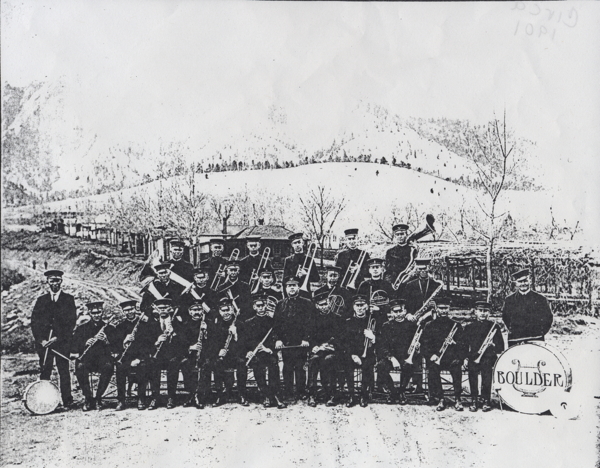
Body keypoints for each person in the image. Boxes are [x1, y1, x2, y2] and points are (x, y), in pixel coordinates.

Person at [30, 270, 77, 409]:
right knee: (45, 370)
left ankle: (67, 400)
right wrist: (41, 340)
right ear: (47, 282)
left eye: (57, 280)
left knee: (64, 371)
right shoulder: (41, 300)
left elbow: (71, 322)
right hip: (44, 344)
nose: (54, 283)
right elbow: (34, 322)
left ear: (61, 281)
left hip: (61, 343)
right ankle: (46, 401)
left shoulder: (68, 299)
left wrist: (57, 337)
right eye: (52, 281)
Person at [398, 258, 442, 395]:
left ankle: (432, 388)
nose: (423, 271)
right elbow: (404, 304)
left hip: (431, 322)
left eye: (425, 269)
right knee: (414, 352)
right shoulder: (409, 285)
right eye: (420, 269)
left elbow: (440, 304)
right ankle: (416, 384)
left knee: (428, 352)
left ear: (429, 268)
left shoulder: (436, 285)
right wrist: (409, 315)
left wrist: (431, 311)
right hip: (414, 322)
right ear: (416, 269)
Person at [273, 277, 316, 401]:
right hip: (286, 342)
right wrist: (278, 339)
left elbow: (311, 323)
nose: (292, 288)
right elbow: (276, 324)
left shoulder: (307, 303)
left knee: (300, 366)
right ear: (285, 288)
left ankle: (301, 391)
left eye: (294, 285)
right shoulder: (280, 304)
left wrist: (306, 338)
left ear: (298, 287)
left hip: (301, 342)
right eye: (289, 286)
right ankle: (287, 391)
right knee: (287, 366)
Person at [200, 297, 248, 407]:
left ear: (232, 310)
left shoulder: (240, 324)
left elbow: (245, 344)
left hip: (235, 355)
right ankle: (220, 395)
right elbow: (211, 343)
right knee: (216, 363)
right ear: (219, 312)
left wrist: (235, 336)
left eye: (228, 310)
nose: (226, 313)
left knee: (242, 364)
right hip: (221, 356)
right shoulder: (215, 325)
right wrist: (219, 351)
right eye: (223, 310)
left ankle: (242, 394)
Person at [421, 298, 466, 412]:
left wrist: (454, 343)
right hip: (436, 357)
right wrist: (431, 355)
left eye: (446, 308)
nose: (443, 311)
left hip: (452, 358)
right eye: (441, 308)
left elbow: (463, 345)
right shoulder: (429, 325)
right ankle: (440, 398)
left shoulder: (456, 325)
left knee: (456, 367)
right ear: (436, 309)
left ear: (449, 309)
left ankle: (457, 398)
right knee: (433, 369)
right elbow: (424, 345)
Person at [244, 294, 286, 409]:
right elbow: (247, 340)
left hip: (269, 352)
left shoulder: (272, 321)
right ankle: (265, 395)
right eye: (258, 305)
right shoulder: (248, 322)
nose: (261, 308)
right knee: (257, 365)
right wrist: (252, 349)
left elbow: (276, 336)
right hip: (256, 353)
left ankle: (275, 394)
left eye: (263, 305)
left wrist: (269, 349)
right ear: (254, 307)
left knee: (273, 364)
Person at [106, 300, 149, 411]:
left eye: (131, 309)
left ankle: (141, 398)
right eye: (126, 310)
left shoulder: (144, 325)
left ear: (135, 309)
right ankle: (121, 400)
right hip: (125, 358)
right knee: (120, 368)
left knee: (143, 368)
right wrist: (124, 342)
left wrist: (139, 359)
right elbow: (116, 346)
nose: (129, 312)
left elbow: (148, 344)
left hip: (141, 357)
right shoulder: (120, 327)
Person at [145, 298, 187, 410]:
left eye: (165, 308)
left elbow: (184, 341)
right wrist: (157, 341)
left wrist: (174, 334)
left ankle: (171, 397)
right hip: (158, 355)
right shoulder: (152, 324)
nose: (163, 310)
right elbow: (147, 342)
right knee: (152, 364)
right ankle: (155, 397)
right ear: (157, 310)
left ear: (170, 309)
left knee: (173, 364)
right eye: (160, 308)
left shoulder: (177, 322)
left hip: (174, 354)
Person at [72, 302, 114, 411]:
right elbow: (74, 346)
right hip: (87, 359)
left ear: (102, 313)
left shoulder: (109, 328)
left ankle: (99, 398)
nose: (96, 315)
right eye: (93, 313)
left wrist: (106, 340)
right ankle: (88, 398)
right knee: (80, 367)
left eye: (98, 312)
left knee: (109, 367)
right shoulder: (81, 328)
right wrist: (85, 343)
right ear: (90, 313)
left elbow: (116, 347)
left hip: (103, 359)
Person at [463, 301, 505, 412]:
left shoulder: (494, 327)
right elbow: (464, 345)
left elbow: (501, 346)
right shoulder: (469, 327)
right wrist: (466, 358)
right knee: (473, 378)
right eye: (480, 311)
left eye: (486, 311)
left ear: (489, 313)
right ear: (475, 312)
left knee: (487, 378)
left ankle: (486, 400)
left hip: (488, 357)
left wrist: (493, 344)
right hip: (473, 357)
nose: (483, 313)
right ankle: (474, 400)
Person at [375, 299, 418, 405]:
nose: (398, 314)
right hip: (391, 357)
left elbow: (417, 340)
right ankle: (393, 391)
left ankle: (402, 391)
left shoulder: (412, 326)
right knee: (380, 366)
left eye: (400, 311)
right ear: (391, 313)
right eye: (395, 312)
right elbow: (382, 346)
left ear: (405, 311)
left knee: (409, 366)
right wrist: (391, 358)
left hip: (406, 356)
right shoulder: (386, 326)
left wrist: (418, 345)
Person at [339, 295, 377, 407]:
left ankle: (364, 395)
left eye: (362, 305)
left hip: (367, 353)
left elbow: (381, 338)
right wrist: (353, 355)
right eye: (357, 305)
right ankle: (351, 395)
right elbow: (344, 341)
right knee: (347, 364)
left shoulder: (372, 320)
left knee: (367, 365)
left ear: (366, 306)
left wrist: (373, 337)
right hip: (352, 354)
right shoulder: (348, 321)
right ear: (353, 307)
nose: (360, 308)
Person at [307, 291, 342, 407]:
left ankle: (331, 394)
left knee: (329, 359)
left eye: (326, 303)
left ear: (329, 303)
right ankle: (312, 394)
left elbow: (341, 336)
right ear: (317, 306)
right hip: (318, 350)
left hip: (332, 350)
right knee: (314, 359)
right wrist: (315, 346)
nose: (324, 307)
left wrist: (332, 345)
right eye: (321, 305)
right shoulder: (312, 319)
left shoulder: (337, 318)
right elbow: (310, 336)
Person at [502, 269, 553, 347]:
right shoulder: (509, 300)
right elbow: (506, 317)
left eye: (525, 281)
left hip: (536, 338)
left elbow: (548, 318)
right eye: (520, 281)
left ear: (530, 281)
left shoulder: (540, 299)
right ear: (516, 283)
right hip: (515, 339)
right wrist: (515, 330)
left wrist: (540, 332)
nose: (523, 284)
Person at [178, 301, 209, 409]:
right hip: (190, 354)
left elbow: (215, 341)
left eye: (199, 310)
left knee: (204, 366)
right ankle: (191, 394)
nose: (197, 312)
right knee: (185, 364)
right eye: (194, 310)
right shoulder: (185, 325)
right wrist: (191, 347)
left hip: (206, 354)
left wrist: (206, 332)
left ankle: (199, 396)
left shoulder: (207, 323)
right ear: (190, 312)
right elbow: (181, 342)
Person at [356, 258, 395, 325]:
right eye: (372, 267)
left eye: (377, 267)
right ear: (369, 270)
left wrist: (379, 309)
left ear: (382, 269)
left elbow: (392, 302)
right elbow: (358, 301)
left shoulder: (387, 285)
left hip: (382, 317)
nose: (375, 269)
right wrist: (367, 307)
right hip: (367, 316)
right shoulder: (364, 284)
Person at [283, 233, 320, 298]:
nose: (297, 245)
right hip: (291, 293)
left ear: (303, 243)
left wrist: (306, 274)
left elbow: (317, 278)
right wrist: (286, 297)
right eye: (295, 243)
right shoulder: (288, 260)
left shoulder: (309, 260)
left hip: (306, 293)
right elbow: (284, 281)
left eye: (299, 242)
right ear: (292, 245)